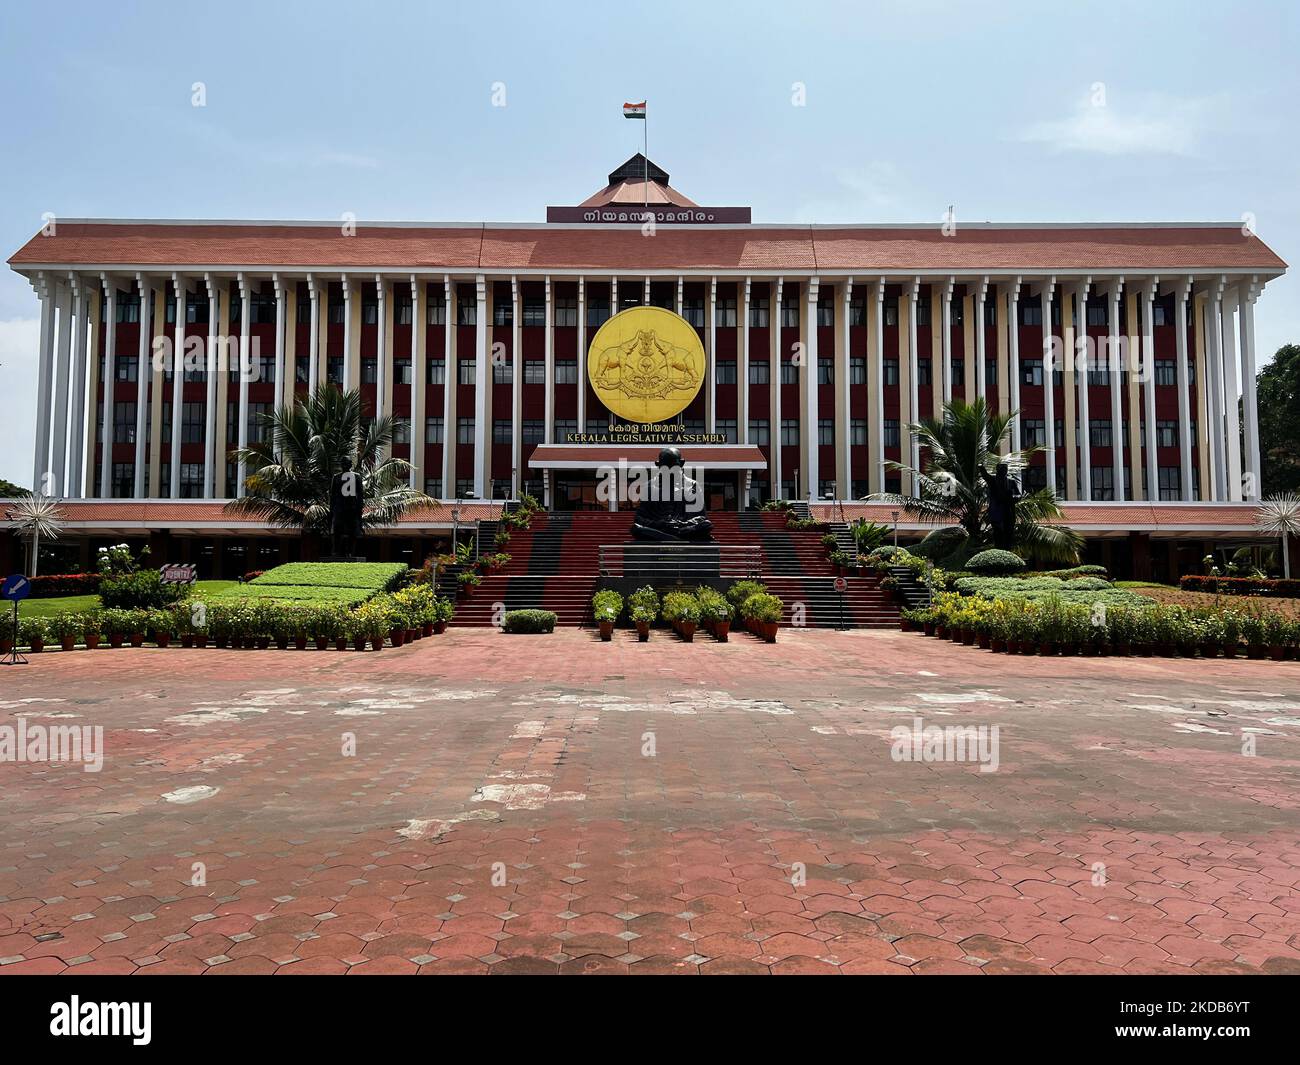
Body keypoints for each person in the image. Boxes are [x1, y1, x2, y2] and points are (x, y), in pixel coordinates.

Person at [329, 458, 365, 557]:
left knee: (352, 531)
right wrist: (332, 509)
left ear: (350, 464)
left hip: (351, 508)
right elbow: (332, 495)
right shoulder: (336, 477)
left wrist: (359, 509)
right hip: (340, 508)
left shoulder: (356, 477)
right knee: (337, 530)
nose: (345, 464)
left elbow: (360, 495)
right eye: (343, 463)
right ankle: (336, 551)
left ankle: (350, 552)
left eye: (347, 463)